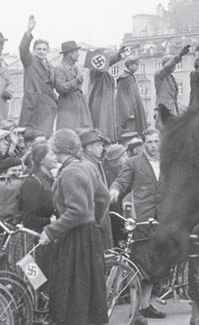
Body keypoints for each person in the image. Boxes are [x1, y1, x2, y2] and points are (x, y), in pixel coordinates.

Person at [39, 129, 109, 325]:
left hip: (75, 239)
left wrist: (50, 231)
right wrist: (94, 220)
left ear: (58, 148)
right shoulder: (87, 167)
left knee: (71, 294)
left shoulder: (70, 172)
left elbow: (77, 211)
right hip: (89, 237)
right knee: (88, 293)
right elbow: (104, 197)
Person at [109, 128, 166, 320]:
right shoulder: (134, 163)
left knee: (155, 265)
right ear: (143, 144)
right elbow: (121, 181)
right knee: (140, 265)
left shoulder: (166, 162)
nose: (153, 146)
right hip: (142, 220)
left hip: (162, 219)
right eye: (149, 142)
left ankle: (146, 304)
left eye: (156, 142)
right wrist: (115, 190)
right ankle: (136, 310)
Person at [19, 15, 58, 135]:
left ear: (48, 51)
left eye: (44, 49)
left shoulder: (51, 67)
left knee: (46, 135)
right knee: (29, 135)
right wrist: (29, 31)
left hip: (48, 106)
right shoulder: (30, 61)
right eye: (39, 49)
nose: (41, 52)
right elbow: (23, 49)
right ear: (34, 50)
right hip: (33, 105)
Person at [80, 129, 114, 250]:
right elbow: (101, 197)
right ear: (88, 147)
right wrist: (97, 221)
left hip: (100, 219)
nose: (102, 148)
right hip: (95, 221)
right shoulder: (87, 164)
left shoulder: (94, 162)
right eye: (99, 145)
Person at [87, 46, 128, 141]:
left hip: (107, 105)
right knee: (101, 129)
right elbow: (105, 64)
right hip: (99, 105)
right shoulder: (95, 70)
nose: (107, 57)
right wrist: (118, 55)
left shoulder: (106, 73)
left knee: (107, 127)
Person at [54, 40, 93, 131]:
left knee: (85, 128)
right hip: (68, 104)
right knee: (69, 129)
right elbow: (60, 88)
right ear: (69, 54)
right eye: (76, 52)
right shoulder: (59, 68)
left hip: (79, 102)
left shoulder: (76, 67)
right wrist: (75, 81)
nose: (78, 54)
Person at [19, 143, 56, 233]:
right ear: (41, 160)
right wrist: (50, 221)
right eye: (52, 154)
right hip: (37, 237)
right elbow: (28, 220)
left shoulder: (51, 180)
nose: (56, 157)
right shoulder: (33, 183)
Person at [154, 44, 191, 128]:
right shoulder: (159, 75)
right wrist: (179, 55)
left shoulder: (170, 77)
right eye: (173, 64)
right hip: (164, 111)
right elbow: (167, 67)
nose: (175, 66)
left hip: (172, 109)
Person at [115, 56, 148, 136]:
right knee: (131, 132)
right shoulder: (124, 78)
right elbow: (121, 97)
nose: (137, 67)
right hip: (130, 112)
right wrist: (129, 112)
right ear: (130, 65)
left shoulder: (131, 77)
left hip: (136, 109)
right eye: (136, 65)